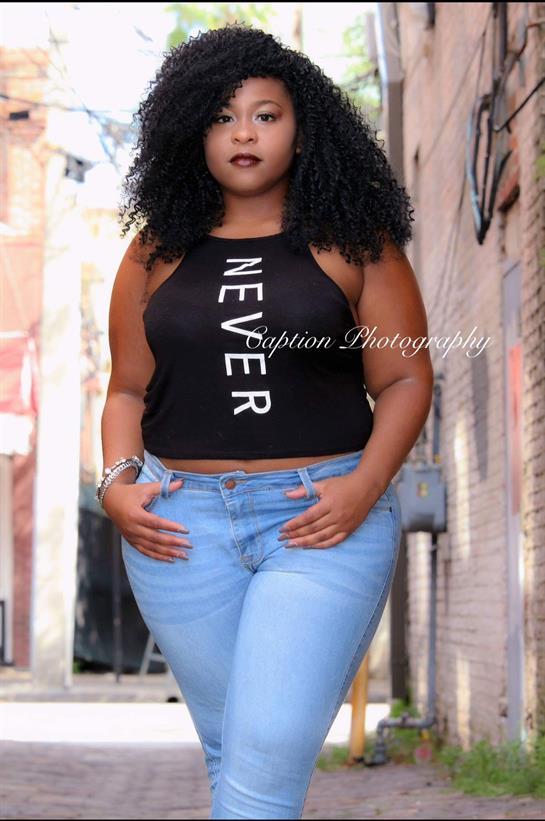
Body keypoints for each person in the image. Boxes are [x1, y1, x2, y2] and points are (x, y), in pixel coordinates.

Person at [98, 23, 433, 820]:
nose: (243, 133)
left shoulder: (353, 241)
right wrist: (116, 484)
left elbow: (405, 377)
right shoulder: (154, 251)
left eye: (265, 114)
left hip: (319, 518)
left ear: (302, 128)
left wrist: (363, 486)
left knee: (261, 760)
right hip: (177, 528)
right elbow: (125, 392)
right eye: (220, 116)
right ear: (191, 133)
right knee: (237, 756)